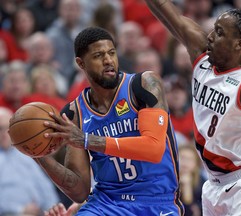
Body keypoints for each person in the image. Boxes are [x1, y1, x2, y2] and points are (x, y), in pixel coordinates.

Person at [144, 1, 241, 215]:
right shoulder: (203, 53)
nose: (210, 36)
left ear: (239, 44)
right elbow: (166, 12)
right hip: (212, 185)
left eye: (219, 33)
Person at [35, 26, 184, 215]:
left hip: (156, 201)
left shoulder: (143, 85)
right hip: (107, 203)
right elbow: (79, 191)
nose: (108, 61)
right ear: (81, 64)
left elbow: (154, 149)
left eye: (112, 53)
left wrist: (88, 140)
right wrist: (38, 155)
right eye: (98, 56)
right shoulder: (75, 113)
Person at [0, 106, 59, 215]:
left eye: (8, 129)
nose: (5, 134)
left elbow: (44, 185)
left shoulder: (26, 153)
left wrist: (53, 209)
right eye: (0, 129)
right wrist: (19, 210)